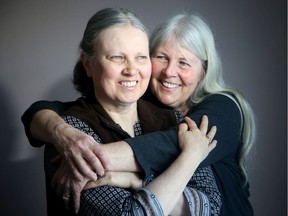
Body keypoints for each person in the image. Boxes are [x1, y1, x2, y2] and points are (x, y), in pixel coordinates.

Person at [22, 10, 256, 215]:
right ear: (88, 64)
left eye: (184, 62)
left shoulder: (213, 111)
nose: (169, 72)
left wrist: (102, 165)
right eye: (161, 57)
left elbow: (211, 206)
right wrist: (59, 130)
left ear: (204, 72)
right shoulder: (74, 136)